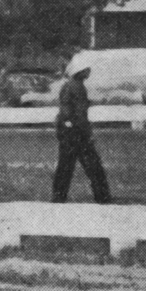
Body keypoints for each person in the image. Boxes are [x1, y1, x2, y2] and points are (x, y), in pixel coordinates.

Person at [51, 62, 112, 204]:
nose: (89, 72)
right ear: (80, 71)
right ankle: (102, 196)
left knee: (65, 165)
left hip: (67, 130)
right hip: (76, 131)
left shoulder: (69, 85)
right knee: (93, 164)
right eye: (87, 70)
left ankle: (58, 196)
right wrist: (87, 133)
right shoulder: (78, 87)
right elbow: (78, 113)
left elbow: (68, 107)